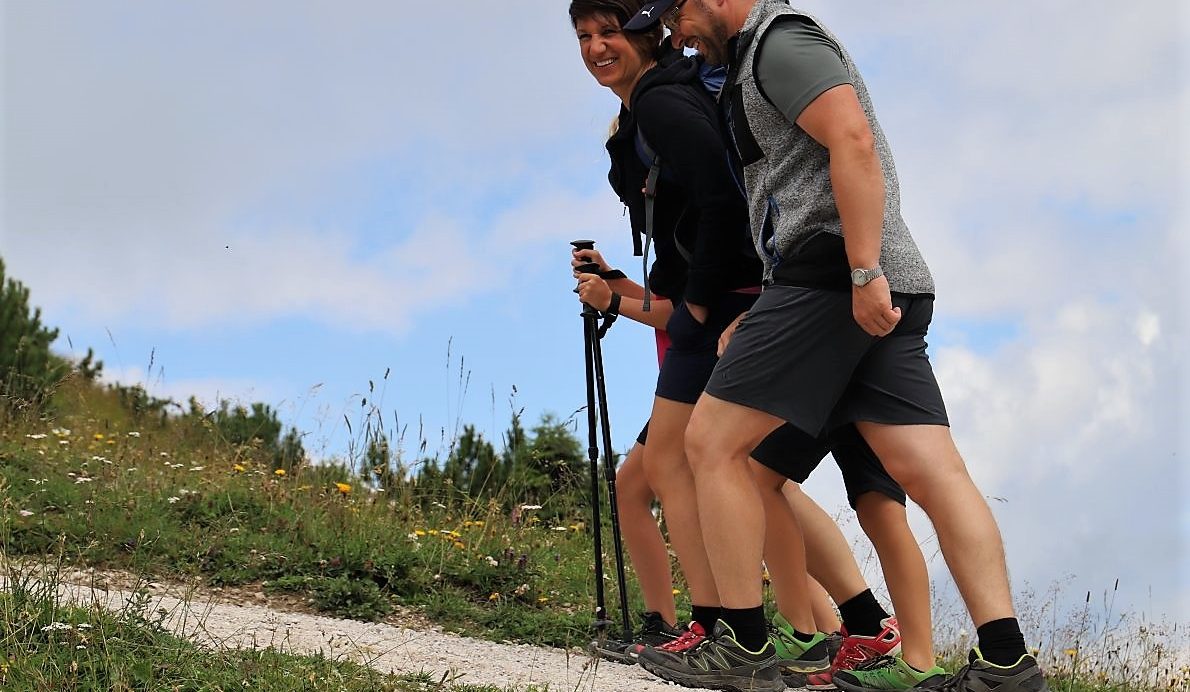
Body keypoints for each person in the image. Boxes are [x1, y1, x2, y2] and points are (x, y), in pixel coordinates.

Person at [625, 2, 1050, 692]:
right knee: (928, 468)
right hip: (863, 280)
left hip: (837, 275)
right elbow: (796, 187)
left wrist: (859, 273)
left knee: (711, 443)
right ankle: (1006, 663)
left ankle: (743, 647)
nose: (674, 31)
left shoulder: (780, 43)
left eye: (676, 9)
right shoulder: (752, 57)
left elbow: (850, 139)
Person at [567, 4, 940, 689]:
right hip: (743, 296)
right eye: (584, 37)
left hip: (744, 301)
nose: (595, 47)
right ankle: (836, 622)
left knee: (698, 461)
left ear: (650, 30)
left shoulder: (668, 103)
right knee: (738, 473)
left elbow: (718, 200)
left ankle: (725, 626)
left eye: (608, 31)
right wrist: (633, 291)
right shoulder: (664, 102)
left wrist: (694, 304)